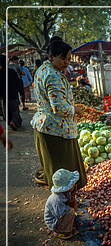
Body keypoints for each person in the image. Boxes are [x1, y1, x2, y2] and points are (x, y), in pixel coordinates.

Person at [31, 38, 87, 189]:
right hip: (56, 129)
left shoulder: (43, 69)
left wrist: (72, 104)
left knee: (56, 173)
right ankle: (64, 206)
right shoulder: (53, 75)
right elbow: (60, 108)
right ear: (51, 56)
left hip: (45, 125)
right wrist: (75, 109)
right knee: (64, 175)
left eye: (68, 58)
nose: (67, 62)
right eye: (63, 58)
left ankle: (62, 202)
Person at [44, 169, 79, 239]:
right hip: (54, 222)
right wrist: (72, 208)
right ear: (66, 188)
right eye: (72, 184)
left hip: (60, 213)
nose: (74, 185)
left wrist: (73, 198)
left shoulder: (66, 192)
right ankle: (60, 232)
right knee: (70, 212)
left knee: (72, 209)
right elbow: (60, 214)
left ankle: (67, 224)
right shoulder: (57, 200)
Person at [0, 54, 24, 130]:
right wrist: (21, 93)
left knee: (6, 111)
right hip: (13, 95)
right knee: (15, 110)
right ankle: (14, 121)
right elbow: (19, 83)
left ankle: (11, 121)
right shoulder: (12, 72)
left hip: (3, 97)